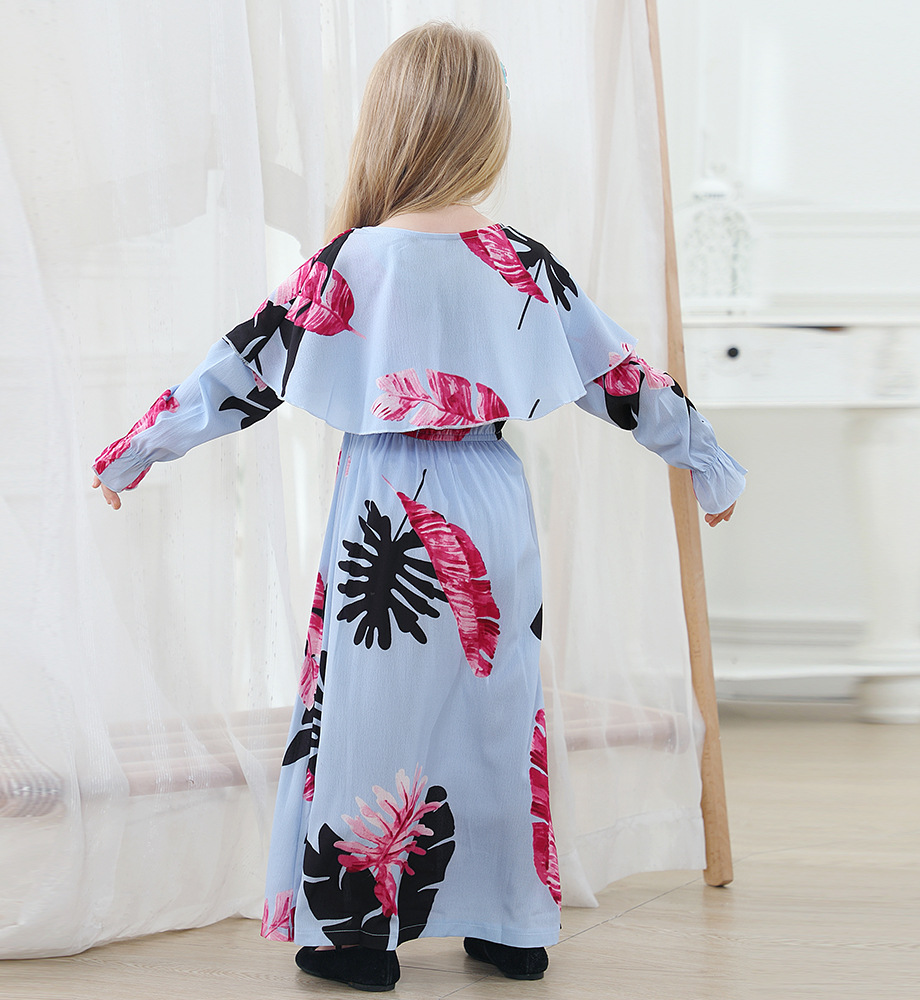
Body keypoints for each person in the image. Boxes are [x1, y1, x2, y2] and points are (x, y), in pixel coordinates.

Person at [92, 20, 744, 994]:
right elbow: (622, 377)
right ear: (488, 127)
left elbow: (239, 373)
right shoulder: (522, 261)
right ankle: (509, 924)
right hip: (492, 498)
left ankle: (359, 937)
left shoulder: (350, 262)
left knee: (372, 716)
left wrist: (134, 452)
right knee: (496, 711)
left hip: (386, 502)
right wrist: (708, 463)